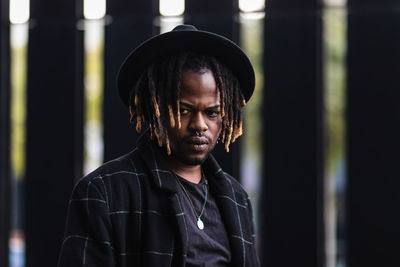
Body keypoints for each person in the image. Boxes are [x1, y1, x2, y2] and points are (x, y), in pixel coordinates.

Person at [57, 24, 259, 267]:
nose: (199, 125)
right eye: (183, 111)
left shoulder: (237, 198)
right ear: (156, 110)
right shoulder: (105, 191)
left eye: (212, 113)